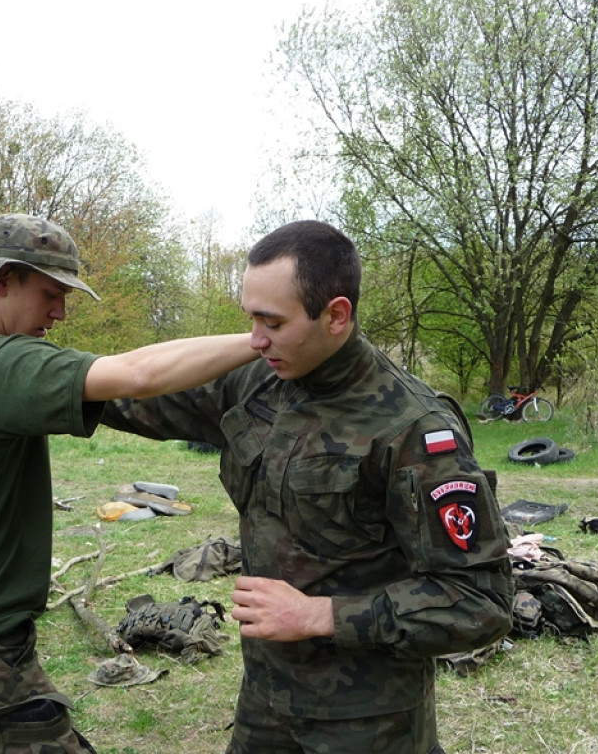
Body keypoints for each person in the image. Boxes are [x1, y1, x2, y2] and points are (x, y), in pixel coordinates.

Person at [102, 220, 514, 754]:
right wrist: (16, 368)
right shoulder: (258, 382)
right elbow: (133, 393)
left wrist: (319, 615)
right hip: (265, 702)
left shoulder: (412, 427)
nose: (253, 340)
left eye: (272, 321)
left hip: (368, 720)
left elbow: (480, 602)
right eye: (250, 318)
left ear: (336, 315)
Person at [0, 213, 257, 754]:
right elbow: (139, 376)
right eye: (50, 292)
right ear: (2, 279)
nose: (60, 311)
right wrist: (263, 334)